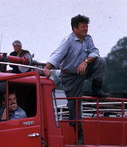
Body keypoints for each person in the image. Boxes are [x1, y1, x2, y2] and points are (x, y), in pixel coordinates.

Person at [43, 14, 110, 145]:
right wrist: (47, 68)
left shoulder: (88, 39)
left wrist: (85, 61)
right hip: (69, 76)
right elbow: (57, 55)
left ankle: (96, 90)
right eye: (83, 26)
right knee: (74, 105)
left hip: (82, 72)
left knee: (100, 61)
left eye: (86, 26)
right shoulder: (68, 40)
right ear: (75, 28)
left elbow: (95, 52)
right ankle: (79, 136)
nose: (85, 29)